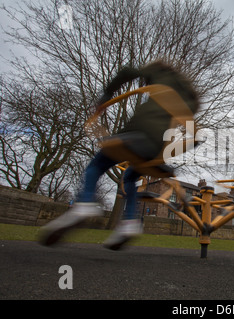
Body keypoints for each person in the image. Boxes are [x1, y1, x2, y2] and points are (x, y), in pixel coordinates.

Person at [39, 61, 199, 250]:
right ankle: (130, 223)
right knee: (130, 177)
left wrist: (105, 97)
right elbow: (194, 138)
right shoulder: (190, 101)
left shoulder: (160, 73)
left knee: (96, 166)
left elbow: (127, 72)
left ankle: (84, 203)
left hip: (137, 134)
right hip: (155, 152)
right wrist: (167, 152)